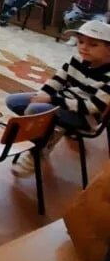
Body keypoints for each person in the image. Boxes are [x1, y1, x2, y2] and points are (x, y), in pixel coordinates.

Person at [6, 20, 110, 175]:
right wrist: (43, 94)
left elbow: (93, 107)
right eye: (80, 42)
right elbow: (57, 80)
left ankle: (38, 151)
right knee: (13, 101)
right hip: (63, 102)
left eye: (93, 45)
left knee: (35, 109)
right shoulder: (76, 59)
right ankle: (49, 133)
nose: (83, 47)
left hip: (85, 117)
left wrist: (51, 100)